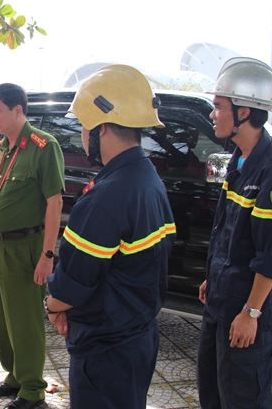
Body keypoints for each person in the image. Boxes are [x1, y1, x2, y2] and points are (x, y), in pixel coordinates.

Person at [44, 65, 176, 408]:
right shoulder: (147, 179)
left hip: (107, 351)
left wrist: (53, 307)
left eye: (85, 126)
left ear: (101, 128)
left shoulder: (108, 195)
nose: (82, 134)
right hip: (137, 337)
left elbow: (74, 280)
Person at [197, 58, 272, 408]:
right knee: (213, 393)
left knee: (242, 399)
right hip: (221, 303)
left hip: (246, 313)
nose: (213, 115)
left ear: (244, 112)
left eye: (218, 107)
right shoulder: (241, 158)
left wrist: (252, 313)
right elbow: (227, 231)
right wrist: (212, 278)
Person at [0, 83, 64, 409]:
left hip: (25, 246)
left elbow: (54, 203)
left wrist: (47, 254)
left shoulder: (43, 146)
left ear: (18, 110)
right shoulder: (2, 149)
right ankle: (14, 376)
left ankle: (32, 389)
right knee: (1, 318)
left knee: (24, 320)